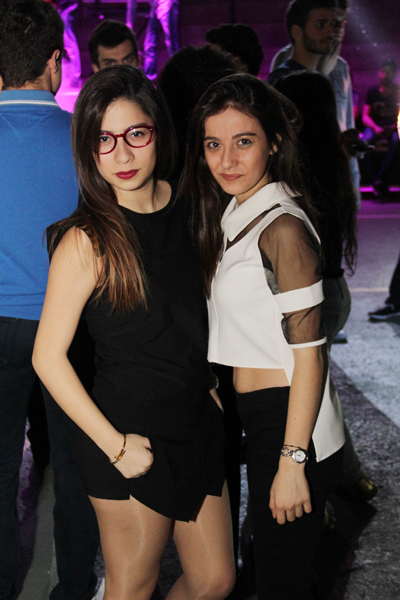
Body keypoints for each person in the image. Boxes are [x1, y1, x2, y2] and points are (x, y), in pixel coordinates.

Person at [33, 65, 235, 600]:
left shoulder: (193, 206)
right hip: (126, 431)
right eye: (104, 139)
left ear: (158, 133)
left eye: (135, 134)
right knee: (132, 587)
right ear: (88, 149)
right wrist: (117, 448)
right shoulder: (86, 240)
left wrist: (209, 384)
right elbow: (47, 357)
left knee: (215, 580)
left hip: (194, 419)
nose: (121, 154)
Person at [180, 72, 345, 600]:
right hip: (263, 414)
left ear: (273, 143)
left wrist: (293, 461)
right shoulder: (236, 212)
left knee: (281, 583)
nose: (226, 160)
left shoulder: (283, 228)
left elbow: (312, 356)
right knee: (274, 573)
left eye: (243, 141)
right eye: (213, 144)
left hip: (292, 422)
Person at [0, 1, 100, 599]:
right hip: (71, 326)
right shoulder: (87, 143)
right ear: (56, 63)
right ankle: (74, 585)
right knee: (75, 463)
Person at [269, 0, 362, 208]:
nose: (331, 31)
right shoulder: (285, 78)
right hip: (306, 192)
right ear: (297, 31)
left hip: (330, 186)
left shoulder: (337, 69)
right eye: (321, 24)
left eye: (335, 24)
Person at [361, 59, 400, 198]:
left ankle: (381, 178)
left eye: (389, 72)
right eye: (383, 71)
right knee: (365, 141)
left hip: (393, 126)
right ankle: (377, 179)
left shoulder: (398, 91)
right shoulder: (372, 92)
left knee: (397, 141)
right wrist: (375, 127)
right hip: (375, 125)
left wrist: (394, 127)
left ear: (394, 74)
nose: (385, 75)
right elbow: (365, 116)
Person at [144, 0, 180, 80]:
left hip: (167, 4)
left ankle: (177, 76)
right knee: (149, 44)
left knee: (171, 43)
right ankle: (149, 78)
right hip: (155, 7)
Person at [57, 0, 82, 86]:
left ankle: (75, 76)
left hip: (69, 6)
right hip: (64, 7)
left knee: (69, 42)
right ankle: (72, 74)